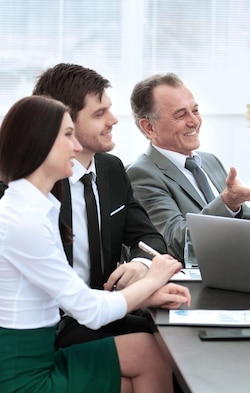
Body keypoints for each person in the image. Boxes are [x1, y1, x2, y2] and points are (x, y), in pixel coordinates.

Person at [0, 95, 191, 393]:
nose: (76, 147)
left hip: (39, 350)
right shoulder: (24, 220)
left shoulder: (37, 206)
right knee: (137, 374)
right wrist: (152, 280)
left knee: (148, 351)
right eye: (67, 136)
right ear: (39, 143)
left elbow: (68, 298)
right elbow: (87, 310)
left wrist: (145, 297)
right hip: (21, 375)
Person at [30, 63, 171, 348]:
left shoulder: (111, 169)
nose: (113, 120)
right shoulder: (33, 186)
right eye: (99, 114)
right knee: (153, 348)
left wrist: (142, 265)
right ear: (63, 123)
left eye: (109, 108)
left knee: (172, 340)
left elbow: (150, 237)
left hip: (104, 311)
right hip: (52, 327)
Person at [126, 73, 250, 261]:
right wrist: (227, 202)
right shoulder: (141, 174)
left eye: (195, 110)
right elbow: (178, 243)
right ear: (149, 127)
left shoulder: (209, 161)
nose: (194, 121)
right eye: (181, 115)